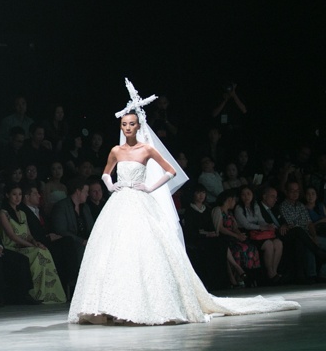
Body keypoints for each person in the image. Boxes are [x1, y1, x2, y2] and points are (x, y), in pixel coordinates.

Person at [68, 79, 300, 326]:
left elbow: (170, 171)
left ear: (138, 126)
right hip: (120, 202)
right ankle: (110, 304)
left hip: (141, 202)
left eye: (131, 124)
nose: (127, 128)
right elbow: (106, 173)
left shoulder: (147, 150)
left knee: (144, 249)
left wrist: (149, 187)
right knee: (114, 249)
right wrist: (110, 185)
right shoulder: (116, 150)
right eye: (124, 124)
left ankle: (143, 303)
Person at [0, 184, 66, 304]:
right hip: (11, 247)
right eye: (14, 194)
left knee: (44, 250)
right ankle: (35, 293)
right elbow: (12, 236)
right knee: (38, 253)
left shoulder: (22, 213)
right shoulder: (3, 213)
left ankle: (49, 292)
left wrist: (35, 242)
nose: (17, 197)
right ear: (7, 195)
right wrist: (32, 246)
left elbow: (28, 235)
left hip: (25, 246)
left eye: (20, 194)